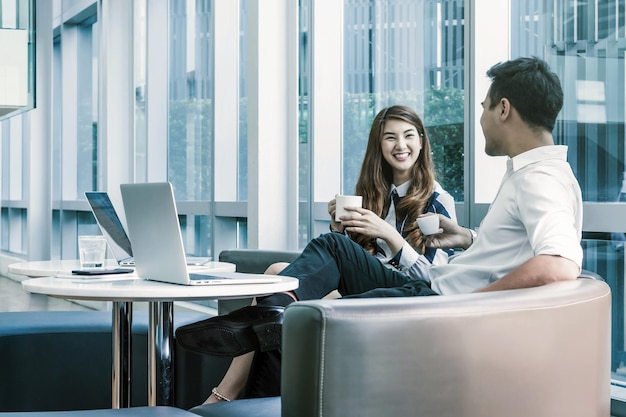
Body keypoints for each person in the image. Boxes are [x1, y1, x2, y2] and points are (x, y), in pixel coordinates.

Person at [181, 56, 584, 404]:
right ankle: (270, 318)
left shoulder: (538, 178)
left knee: (303, 314)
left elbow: (559, 265)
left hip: (436, 300)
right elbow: (521, 252)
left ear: (504, 109)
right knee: (332, 249)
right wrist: (470, 239)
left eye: (483, 107)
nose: (479, 118)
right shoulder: (535, 174)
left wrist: (471, 300)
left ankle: (265, 329)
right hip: (433, 291)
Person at [177, 104, 458, 403]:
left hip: (406, 295)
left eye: (408, 136)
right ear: (379, 145)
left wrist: (388, 234)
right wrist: (340, 229)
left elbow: (434, 280)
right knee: (277, 277)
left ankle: (226, 394)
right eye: (390, 137)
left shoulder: (439, 201)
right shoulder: (375, 195)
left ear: (422, 141)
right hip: (366, 288)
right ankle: (263, 392)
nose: (400, 145)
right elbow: (350, 263)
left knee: (281, 299)